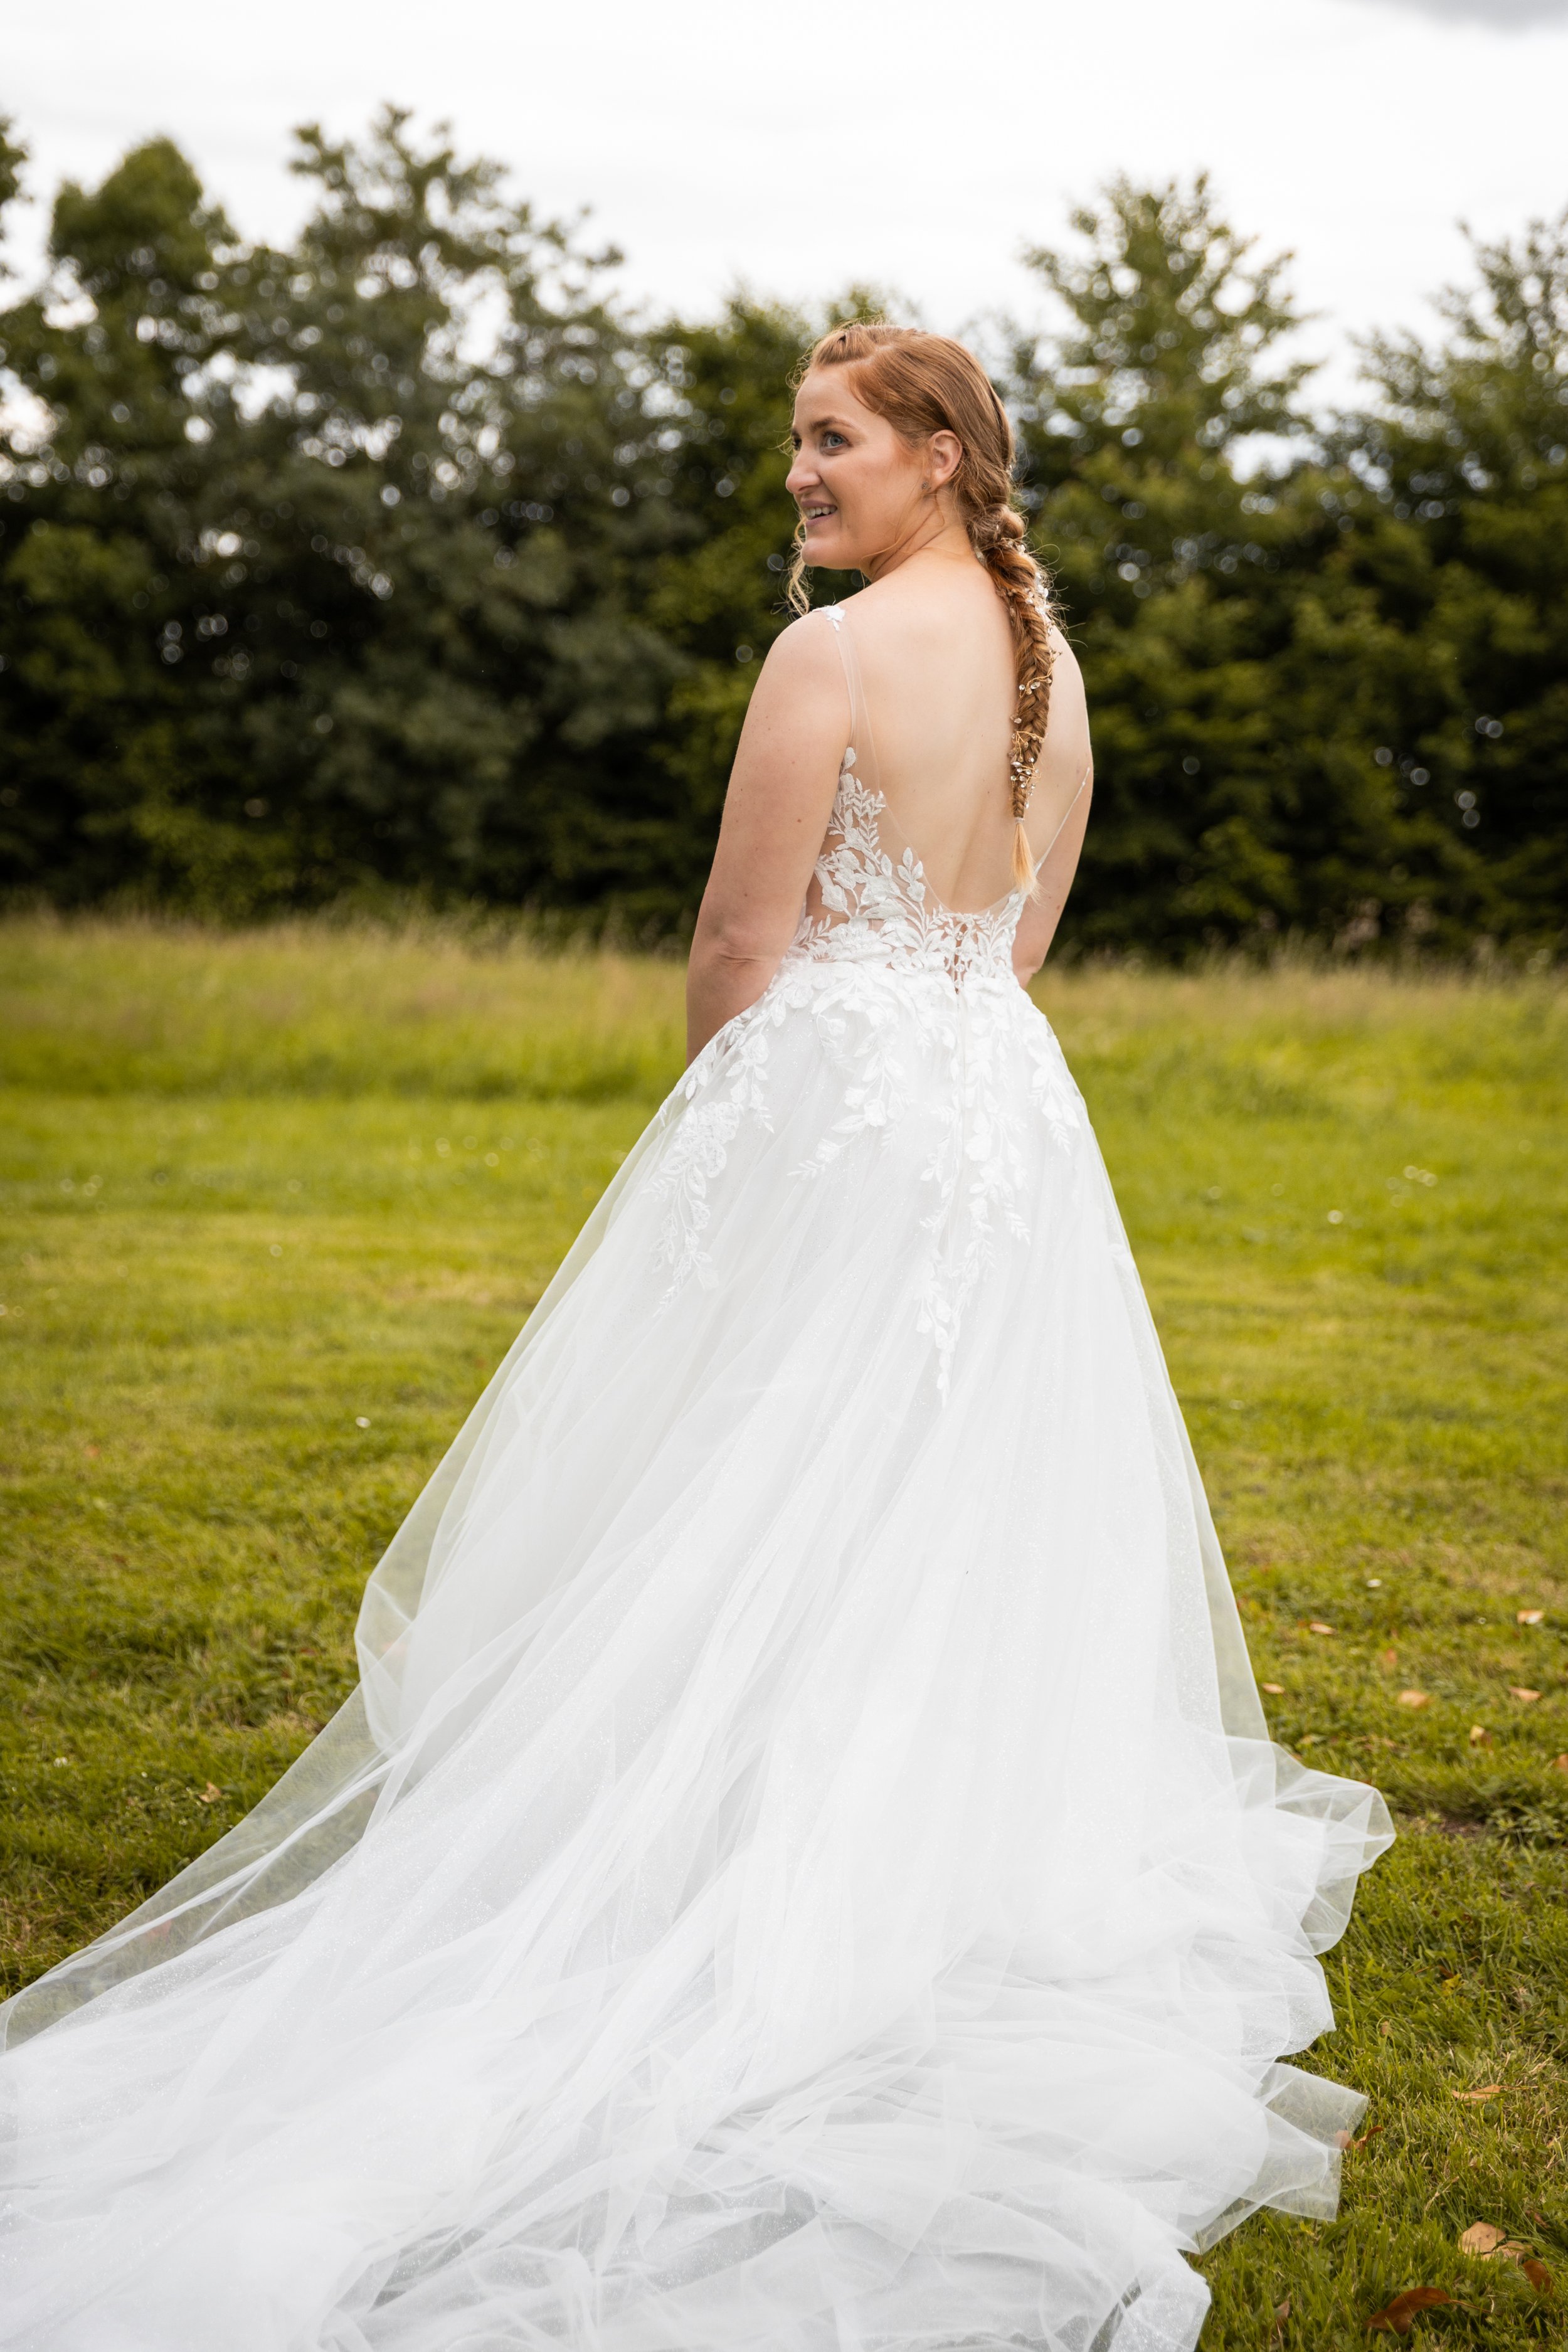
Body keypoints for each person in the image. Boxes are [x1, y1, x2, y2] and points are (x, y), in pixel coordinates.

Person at [0, 324, 1389, 2352]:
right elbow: (1022, 930)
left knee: (735, 1471)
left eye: (828, 440)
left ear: (931, 451)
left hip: (840, 1104)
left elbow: (738, 949)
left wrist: (729, 1166)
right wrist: (930, 1042)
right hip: (994, 1109)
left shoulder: (824, 658)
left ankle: (706, 1867)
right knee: (927, 1497)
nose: (798, 476)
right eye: (796, 443)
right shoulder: (1046, 658)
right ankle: (896, 1857)